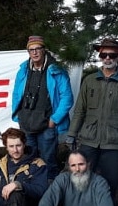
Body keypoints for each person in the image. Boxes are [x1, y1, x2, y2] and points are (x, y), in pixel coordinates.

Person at [65, 38, 118, 201]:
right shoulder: (89, 81)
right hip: (88, 139)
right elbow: (80, 110)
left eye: (112, 55)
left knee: (110, 182)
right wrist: (71, 134)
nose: (107, 58)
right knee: (80, 178)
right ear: (99, 56)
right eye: (104, 54)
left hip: (114, 142)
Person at [12, 35, 74, 181]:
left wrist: (55, 119)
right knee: (29, 161)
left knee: (48, 162)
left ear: (44, 50)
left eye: (37, 49)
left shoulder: (57, 70)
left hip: (47, 125)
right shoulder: (23, 70)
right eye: (31, 50)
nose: (34, 52)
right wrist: (18, 115)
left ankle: (51, 194)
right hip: (27, 125)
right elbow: (16, 93)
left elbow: (67, 97)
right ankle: (33, 193)